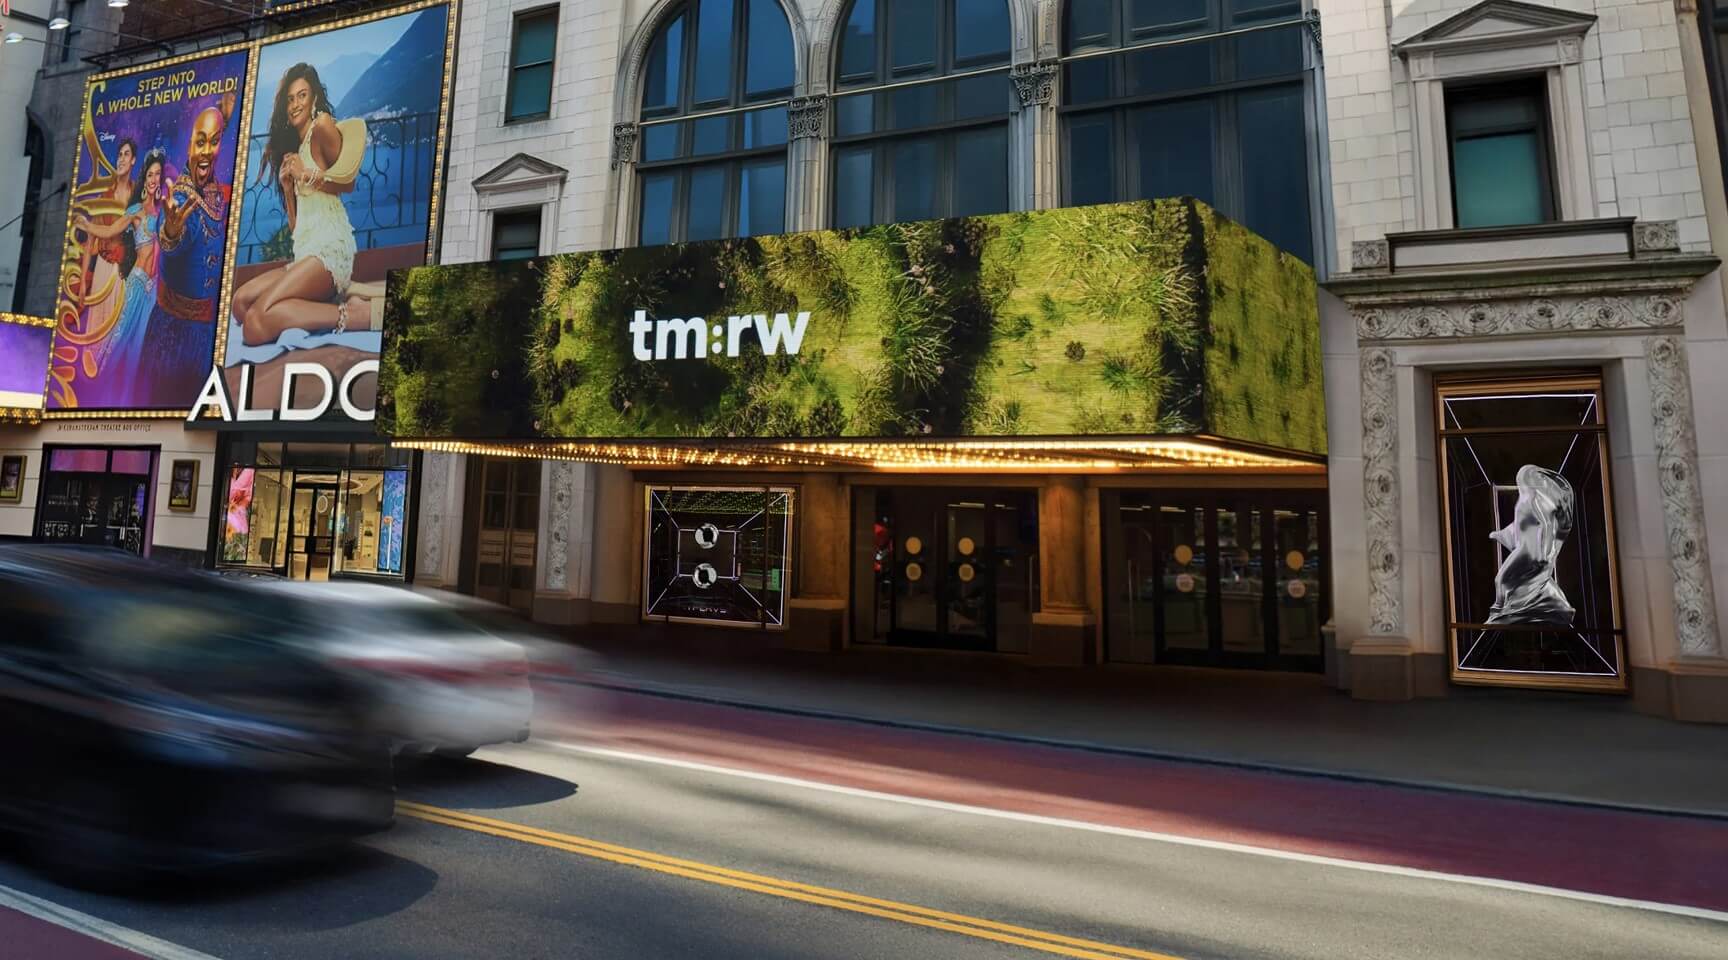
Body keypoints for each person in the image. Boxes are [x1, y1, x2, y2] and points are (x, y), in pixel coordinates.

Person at [231, 63, 369, 349]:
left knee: (255, 326)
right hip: (306, 254)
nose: (295, 105)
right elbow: (298, 230)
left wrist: (305, 174)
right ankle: (316, 305)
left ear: (314, 97)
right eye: (290, 99)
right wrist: (287, 188)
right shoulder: (296, 149)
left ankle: (354, 315)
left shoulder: (322, 126)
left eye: (302, 96)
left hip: (329, 251)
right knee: (240, 304)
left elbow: (347, 183)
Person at [152, 97, 236, 406]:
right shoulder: (180, 198)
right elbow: (173, 239)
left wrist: (224, 114)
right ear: (189, 146)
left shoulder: (218, 194)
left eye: (214, 142)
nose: (206, 151)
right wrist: (171, 231)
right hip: (173, 335)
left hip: (208, 335)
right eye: (200, 142)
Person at [75, 149, 167, 407]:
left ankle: (125, 402)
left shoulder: (164, 210)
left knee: (137, 351)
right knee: (117, 343)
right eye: (150, 174)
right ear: (145, 178)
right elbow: (110, 230)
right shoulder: (136, 210)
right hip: (136, 283)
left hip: (152, 290)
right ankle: (93, 398)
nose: (154, 179)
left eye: (158, 174)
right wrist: (87, 226)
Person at [75, 138, 137, 344]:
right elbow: (90, 241)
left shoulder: (137, 195)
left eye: (126, 154)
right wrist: (82, 282)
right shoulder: (105, 196)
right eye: (119, 155)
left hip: (125, 272)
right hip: (104, 267)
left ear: (133, 160)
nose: (121, 159)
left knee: (116, 334)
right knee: (97, 328)